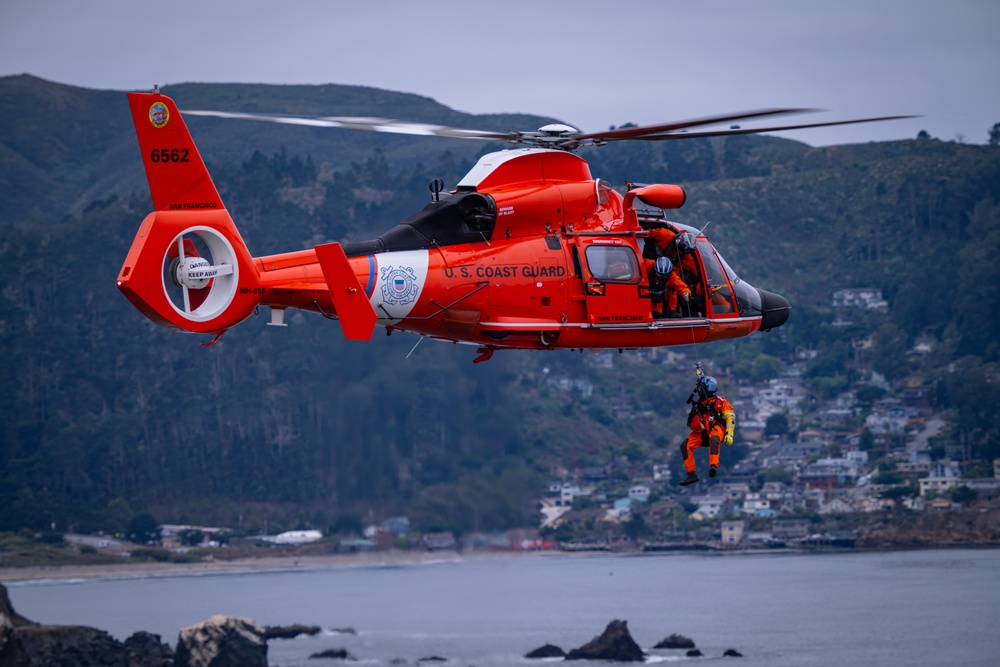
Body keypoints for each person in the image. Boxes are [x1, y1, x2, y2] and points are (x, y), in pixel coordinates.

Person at [678, 375, 735, 486]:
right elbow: (690, 422)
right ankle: (691, 474)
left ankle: (713, 465)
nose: (698, 390)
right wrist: (696, 426)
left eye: (701, 387)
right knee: (684, 446)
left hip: (717, 428)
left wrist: (729, 434)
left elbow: (730, 418)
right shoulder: (698, 405)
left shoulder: (721, 402)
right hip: (702, 431)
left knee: (714, 439)